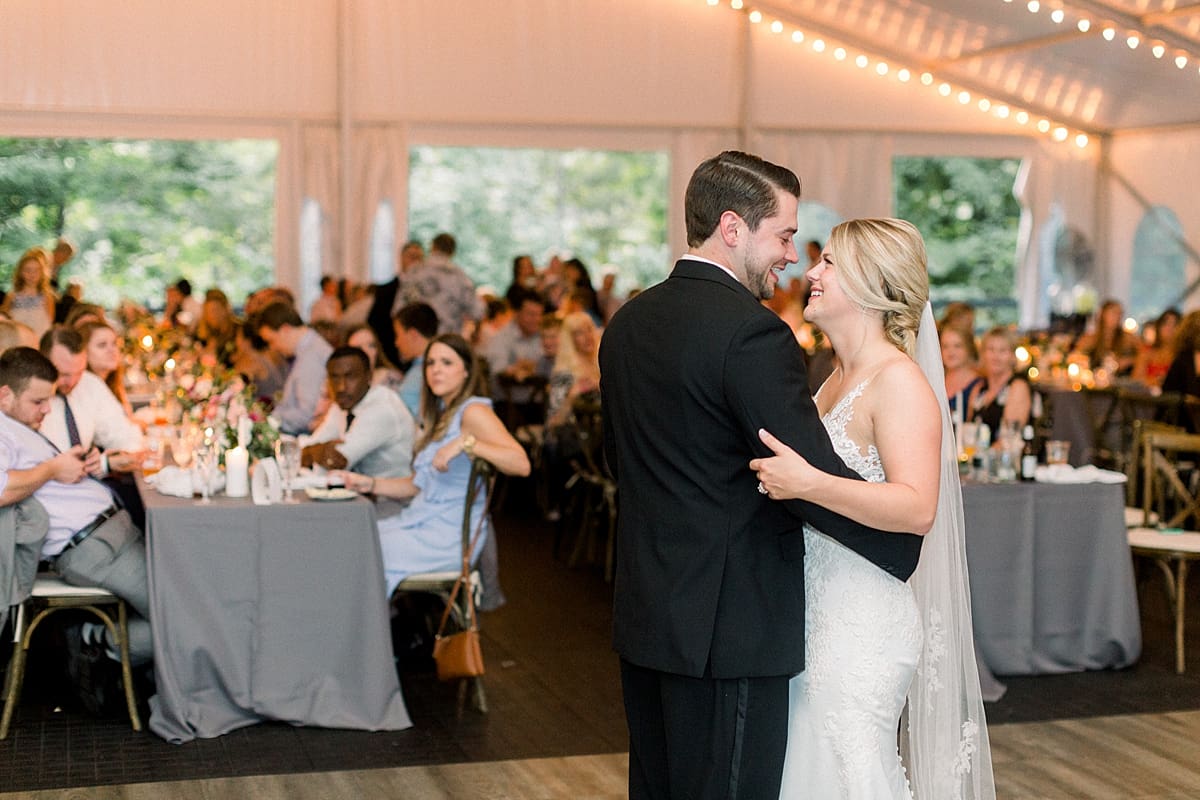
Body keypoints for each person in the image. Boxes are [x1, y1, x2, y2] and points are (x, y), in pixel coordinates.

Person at [599, 151, 888, 800]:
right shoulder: (754, 335)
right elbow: (806, 473)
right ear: (733, 228)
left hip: (649, 614)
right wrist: (901, 534)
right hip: (732, 628)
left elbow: (619, 460)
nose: (790, 255)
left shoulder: (627, 324)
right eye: (783, 234)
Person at [751, 218, 995, 799]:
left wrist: (808, 483)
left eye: (830, 262)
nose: (811, 271)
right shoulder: (833, 379)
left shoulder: (899, 382)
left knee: (849, 775)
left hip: (861, 624)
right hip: (814, 611)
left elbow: (916, 508)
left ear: (871, 283)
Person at [337, 334, 530, 595]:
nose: (436, 370)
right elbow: (418, 486)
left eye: (447, 363)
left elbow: (520, 464)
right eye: (430, 363)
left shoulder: (473, 412)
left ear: (466, 372)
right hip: (421, 522)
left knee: (358, 549)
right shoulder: (441, 414)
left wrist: (467, 443)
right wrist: (369, 483)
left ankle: (364, 631)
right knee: (352, 538)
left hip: (445, 538)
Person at [0, 346, 153, 666]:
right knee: (181, 618)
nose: (47, 410)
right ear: (5, 396)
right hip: (92, 547)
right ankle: (93, 642)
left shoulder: (19, 427)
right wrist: (52, 469)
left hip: (112, 533)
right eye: (38, 402)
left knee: (189, 603)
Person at [301, 346, 415, 483]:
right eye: (335, 378)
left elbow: (337, 460)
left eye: (350, 377)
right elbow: (304, 452)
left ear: (369, 376)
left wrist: (312, 452)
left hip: (392, 500)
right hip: (362, 495)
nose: (341, 387)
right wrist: (314, 451)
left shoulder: (382, 408)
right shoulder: (342, 404)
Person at [254, 301, 334, 435]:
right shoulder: (308, 350)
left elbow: (307, 414)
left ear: (285, 329)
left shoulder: (311, 356)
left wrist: (267, 419)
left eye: (271, 340)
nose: (273, 348)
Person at [968, 326, 1033, 441]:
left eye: (1002, 351)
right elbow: (968, 431)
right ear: (983, 354)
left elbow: (1010, 438)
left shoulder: (1017, 387)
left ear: (1013, 356)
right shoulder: (979, 389)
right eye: (991, 349)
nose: (995, 356)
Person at [392, 302, 439, 419]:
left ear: (413, 334)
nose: (396, 343)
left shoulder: (420, 374)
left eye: (398, 335)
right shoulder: (425, 369)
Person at [3, 247, 57, 341]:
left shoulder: (47, 297)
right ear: (20, 272)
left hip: (38, 341)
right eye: (27, 270)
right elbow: (3, 319)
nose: (32, 274)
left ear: (43, 273)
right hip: (16, 340)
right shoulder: (12, 296)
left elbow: (49, 323)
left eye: (36, 270)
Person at [1074, 298, 1138, 376]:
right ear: (1103, 314)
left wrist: (1128, 361)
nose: (1118, 317)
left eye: (1120, 313)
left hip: (1120, 382)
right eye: (1114, 313)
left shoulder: (1128, 338)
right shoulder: (1090, 339)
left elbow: (1146, 354)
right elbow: (1075, 357)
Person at [941, 321, 983, 421]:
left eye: (957, 346)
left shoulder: (979, 385)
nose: (950, 352)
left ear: (968, 348)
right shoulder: (935, 380)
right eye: (945, 346)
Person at [1132, 307, 1181, 390]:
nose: (1170, 329)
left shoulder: (1182, 357)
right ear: (1158, 327)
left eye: (1174, 324)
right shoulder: (1146, 353)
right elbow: (1135, 382)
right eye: (1166, 323)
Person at [346, 324, 404, 392]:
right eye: (358, 348)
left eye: (371, 345)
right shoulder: (342, 385)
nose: (366, 352)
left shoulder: (392, 379)